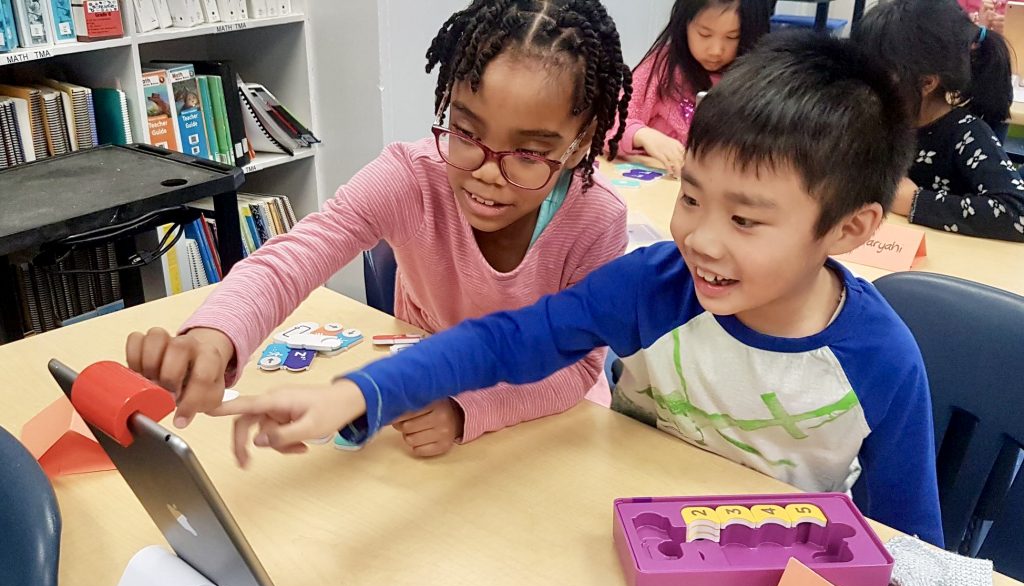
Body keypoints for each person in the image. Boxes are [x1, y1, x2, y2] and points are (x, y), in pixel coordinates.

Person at [214, 32, 945, 546]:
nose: (700, 239)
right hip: (617, 536)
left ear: (849, 229)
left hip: (774, 582)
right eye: (690, 198)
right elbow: (507, 341)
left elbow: (912, 551)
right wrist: (358, 395)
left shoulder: (880, 361)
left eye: (746, 219)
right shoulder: (655, 287)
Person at [126, 0, 633, 458]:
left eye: (528, 154)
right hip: (417, 388)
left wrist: (466, 408)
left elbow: (578, 368)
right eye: (465, 131)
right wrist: (216, 334)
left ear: (582, 139)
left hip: (545, 426)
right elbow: (297, 255)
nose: (485, 169)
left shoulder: (596, 220)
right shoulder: (411, 176)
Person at [855, 0, 1023, 242]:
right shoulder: (872, 120)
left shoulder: (966, 134)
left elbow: (1018, 213)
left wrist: (915, 202)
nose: (863, 85)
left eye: (877, 75)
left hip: (939, 267)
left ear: (926, 83)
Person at [614, 0, 769, 176]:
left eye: (732, 37)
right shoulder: (662, 67)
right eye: (704, 34)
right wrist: (641, 135)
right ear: (684, 25)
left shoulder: (756, 80)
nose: (716, 50)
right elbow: (608, 122)